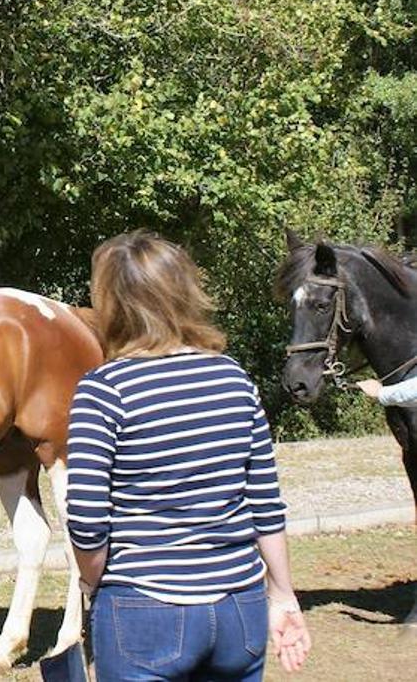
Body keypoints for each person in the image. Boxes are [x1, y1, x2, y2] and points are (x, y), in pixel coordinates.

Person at [66, 231, 311, 681]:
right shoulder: (233, 377)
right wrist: (283, 595)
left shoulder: (103, 391)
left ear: (111, 304)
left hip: (144, 606)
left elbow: (85, 517)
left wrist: (92, 581)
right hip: (241, 608)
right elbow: (266, 504)